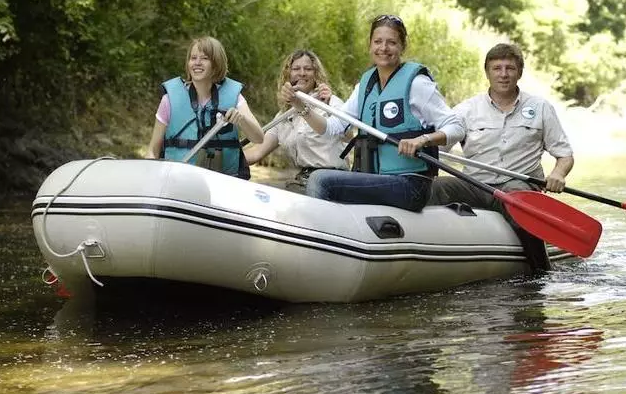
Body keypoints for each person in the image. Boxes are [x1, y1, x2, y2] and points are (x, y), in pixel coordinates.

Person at [279, 14, 464, 212]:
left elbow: (457, 128)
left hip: (410, 184)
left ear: (402, 46)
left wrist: (423, 140)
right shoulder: (365, 86)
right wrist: (299, 105)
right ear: (370, 45)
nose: (383, 48)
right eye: (378, 42)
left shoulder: (417, 84)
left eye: (391, 42)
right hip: (375, 177)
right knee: (322, 181)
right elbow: (332, 128)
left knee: (320, 180)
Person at [428, 42, 574, 273]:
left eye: (510, 68)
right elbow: (439, 150)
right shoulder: (465, 110)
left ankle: (540, 273)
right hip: (475, 184)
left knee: (517, 200)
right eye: (497, 68)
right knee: (434, 187)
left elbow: (564, 155)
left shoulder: (540, 107)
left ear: (519, 72)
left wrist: (558, 174)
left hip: (519, 187)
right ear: (487, 73)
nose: (503, 74)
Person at [144, 36, 264, 179]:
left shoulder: (235, 97)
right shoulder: (169, 100)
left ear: (216, 64)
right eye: (193, 58)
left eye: (204, 58)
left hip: (224, 181)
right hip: (178, 180)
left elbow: (258, 138)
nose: (197, 63)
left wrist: (242, 120)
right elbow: (152, 151)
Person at [244, 50, 350, 193]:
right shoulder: (283, 116)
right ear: (288, 74)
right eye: (296, 69)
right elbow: (257, 153)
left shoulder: (331, 102)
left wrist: (327, 106)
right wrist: (225, 157)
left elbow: (348, 136)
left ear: (316, 74)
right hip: (303, 181)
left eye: (308, 69)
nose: (302, 73)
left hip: (331, 181)